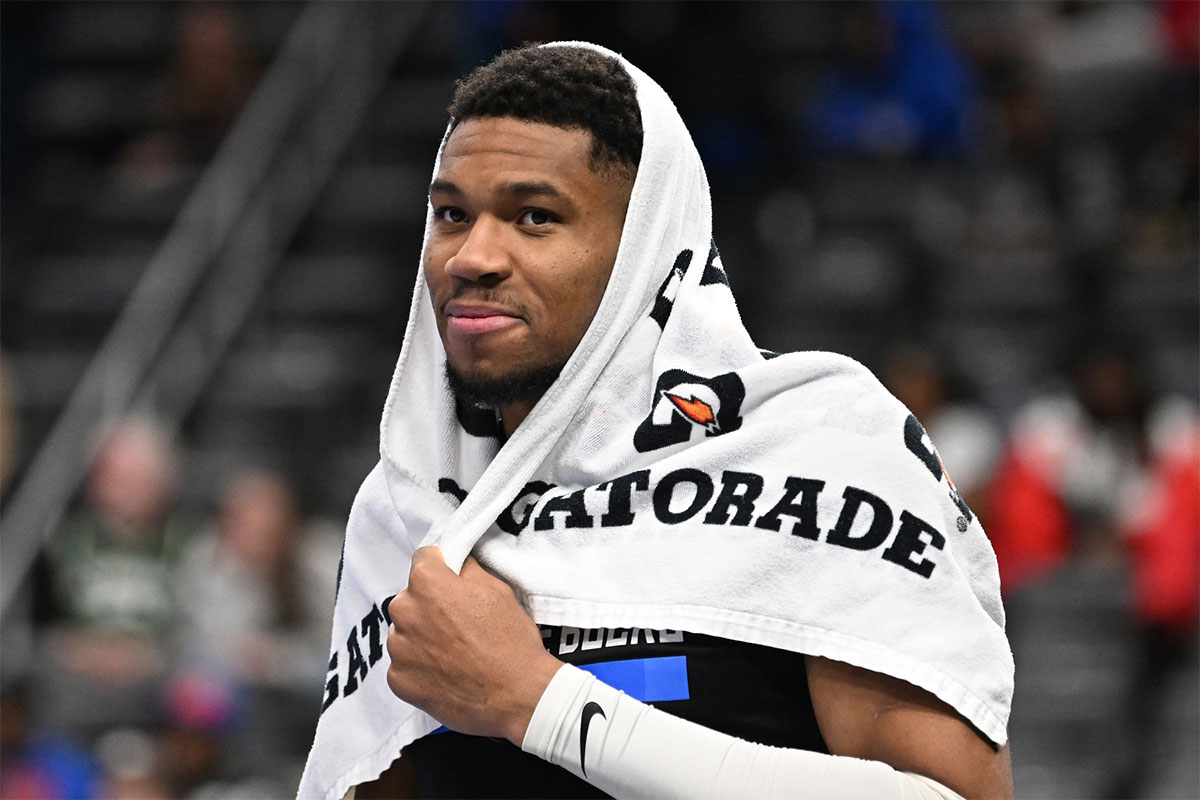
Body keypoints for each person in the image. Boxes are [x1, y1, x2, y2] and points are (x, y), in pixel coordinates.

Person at [299, 43, 1013, 800]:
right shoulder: (408, 508)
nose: (471, 256)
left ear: (646, 250)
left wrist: (539, 702)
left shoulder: (820, 449)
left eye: (534, 217)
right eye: (452, 214)